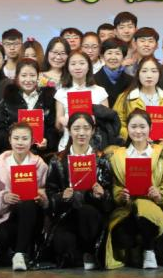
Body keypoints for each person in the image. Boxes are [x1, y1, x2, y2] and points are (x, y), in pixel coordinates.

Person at [104, 109, 163, 269]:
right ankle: (138, 251)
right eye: (133, 127)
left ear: (150, 128)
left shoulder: (161, 154)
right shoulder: (118, 156)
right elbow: (116, 186)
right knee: (122, 235)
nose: (138, 131)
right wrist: (121, 196)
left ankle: (149, 251)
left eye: (142, 127)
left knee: (144, 209)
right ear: (127, 129)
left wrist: (160, 194)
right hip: (127, 210)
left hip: (155, 207)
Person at [45, 112, 113, 269]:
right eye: (76, 128)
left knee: (86, 212)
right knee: (64, 250)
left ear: (93, 131)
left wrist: (102, 194)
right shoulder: (57, 160)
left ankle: (90, 252)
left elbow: (110, 199)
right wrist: (62, 197)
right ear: (69, 130)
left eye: (86, 128)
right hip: (66, 215)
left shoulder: (102, 159)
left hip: (91, 216)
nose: (81, 133)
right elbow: (50, 194)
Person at [0, 122, 50, 271]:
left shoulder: (40, 165)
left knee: (27, 203)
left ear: (32, 141)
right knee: (1, 236)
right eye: (16, 138)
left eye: (25, 138)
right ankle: (14, 252)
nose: (20, 142)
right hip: (9, 216)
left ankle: (20, 254)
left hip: (33, 216)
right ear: (10, 140)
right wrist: (3, 198)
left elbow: (48, 192)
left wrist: (42, 198)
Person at [0, 58, 59, 159]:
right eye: (24, 75)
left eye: (32, 75)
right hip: (13, 156)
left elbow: (53, 128)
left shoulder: (48, 98)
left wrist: (48, 141)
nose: (28, 80)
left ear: (38, 76)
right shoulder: (8, 98)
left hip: (42, 156)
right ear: (17, 77)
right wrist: (14, 142)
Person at [113, 56, 163, 143]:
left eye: (154, 71)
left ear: (159, 74)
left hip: (160, 146)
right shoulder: (125, 98)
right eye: (144, 71)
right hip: (133, 145)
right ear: (138, 74)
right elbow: (118, 124)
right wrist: (133, 135)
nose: (149, 75)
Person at [54, 51, 110, 150]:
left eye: (82, 63)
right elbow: (58, 126)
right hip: (67, 145)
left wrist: (95, 120)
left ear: (89, 67)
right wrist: (62, 120)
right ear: (67, 68)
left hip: (95, 145)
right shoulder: (61, 92)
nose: (77, 67)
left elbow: (107, 121)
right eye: (73, 64)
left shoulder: (100, 91)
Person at [94, 39, 132, 108]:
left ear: (124, 57)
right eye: (109, 53)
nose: (113, 57)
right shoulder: (93, 80)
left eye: (117, 53)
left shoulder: (131, 81)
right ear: (102, 56)